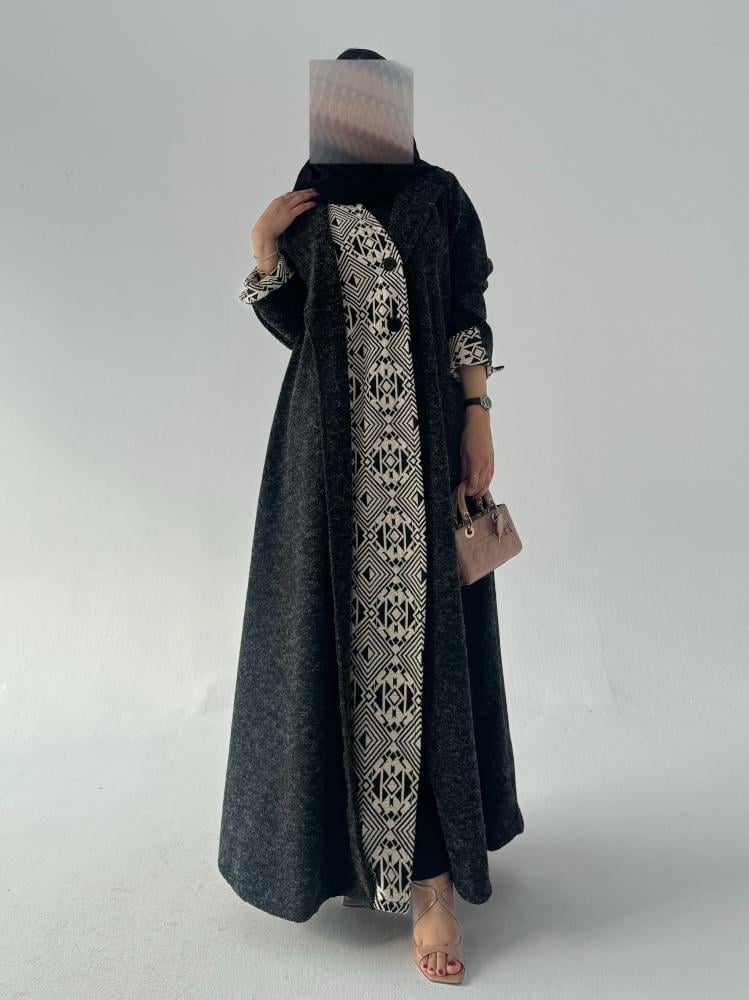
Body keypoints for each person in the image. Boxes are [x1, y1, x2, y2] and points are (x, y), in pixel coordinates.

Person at [218, 47, 524, 986]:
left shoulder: (437, 198)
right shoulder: (308, 205)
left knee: (420, 652)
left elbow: (465, 306)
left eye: (371, 102)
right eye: (340, 103)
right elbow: (301, 335)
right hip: (323, 465)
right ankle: (351, 859)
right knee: (329, 651)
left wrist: (477, 414)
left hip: (422, 455)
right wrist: (264, 252)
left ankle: (430, 882)